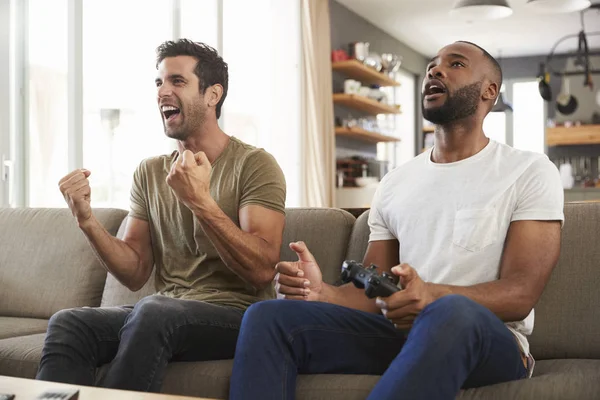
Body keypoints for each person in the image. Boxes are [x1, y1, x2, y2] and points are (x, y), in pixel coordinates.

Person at [229, 41, 564, 400]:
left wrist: (431, 296)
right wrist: (321, 292)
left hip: (488, 339)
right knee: (267, 317)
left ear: (489, 91)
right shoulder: (395, 183)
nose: (436, 71)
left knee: (451, 311)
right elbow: (374, 287)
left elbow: (521, 293)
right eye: (433, 65)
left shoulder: (529, 171)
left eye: (456, 64)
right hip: (400, 333)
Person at [36, 39, 286, 392]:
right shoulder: (150, 172)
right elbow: (135, 272)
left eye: (177, 82)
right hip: (164, 312)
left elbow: (261, 268)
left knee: (155, 311)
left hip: (237, 315)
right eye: (159, 83)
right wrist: (87, 220)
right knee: (70, 322)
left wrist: (200, 200)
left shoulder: (254, 165)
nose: (162, 92)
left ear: (213, 95)